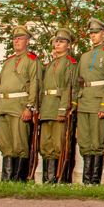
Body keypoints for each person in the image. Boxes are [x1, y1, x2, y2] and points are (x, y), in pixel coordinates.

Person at [76, 17, 104, 185]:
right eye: (91, 33)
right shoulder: (84, 56)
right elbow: (77, 81)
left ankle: (94, 180)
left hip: (99, 102)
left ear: (103, 33)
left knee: (96, 143)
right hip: (84, 101)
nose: (93, 36)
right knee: (84, 142)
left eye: (96, 32)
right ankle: (86, 181)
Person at [0, 26, 40, 182]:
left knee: (20, 144)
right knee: (6, 144)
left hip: (19, 106)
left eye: (20, 38)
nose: (16, 41)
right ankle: (6, 180)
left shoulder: (32, 60)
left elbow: (35, 84)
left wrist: (30, 107)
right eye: (14, 38)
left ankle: (19, 180)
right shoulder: (8, 62)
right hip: (5, 106)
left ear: (27, 41)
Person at [38, 28, 77, 184]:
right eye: (56, 41)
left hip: (58, 107)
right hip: (47, 107)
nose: (57, 44)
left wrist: (64, 109)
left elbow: (69, 87)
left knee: (58, 144)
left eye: (61, 41)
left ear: (68, 45)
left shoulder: (70, 63)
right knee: (45, 144)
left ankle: (59, 179)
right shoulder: (49, 64)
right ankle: (48, 179)